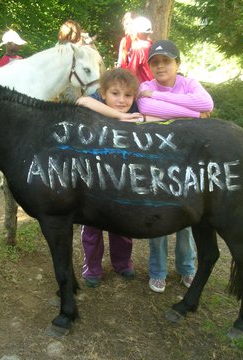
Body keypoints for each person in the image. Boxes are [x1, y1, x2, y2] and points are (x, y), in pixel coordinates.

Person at [137, 39, 214, 293]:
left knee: (187, 218)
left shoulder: (189, 83)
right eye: (155, 62)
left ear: (177, 63)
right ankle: (157, 271)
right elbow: (147, 108)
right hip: (157, 162)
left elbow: (207, 104)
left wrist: (162, 102)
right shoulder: (144, 87)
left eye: (166, 61)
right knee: (159, 218)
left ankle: (187, 269)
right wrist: (193, 116)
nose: (160, 67)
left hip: (188, 162)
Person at [76, 68, 148, 288]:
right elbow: (81, 101)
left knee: (123, 227)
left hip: (123, 182)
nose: (121, 100)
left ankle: (122, 263)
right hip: (93, 183)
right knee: (92, 229)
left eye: (127, 95)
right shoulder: (95, 109)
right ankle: (93, 268)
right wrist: (120, 116)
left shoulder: (137, 111)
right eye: (115, 93)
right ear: (103, 94)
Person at [118, 16, 154, 83]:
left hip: (143, 87)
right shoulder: (152, 44)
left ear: (136, 32)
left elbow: (132, 71)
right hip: (154, 85)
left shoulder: (138, 47)